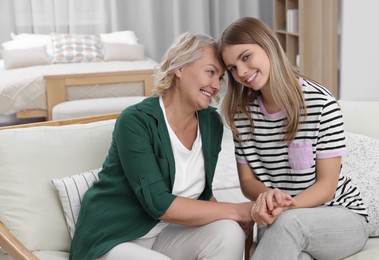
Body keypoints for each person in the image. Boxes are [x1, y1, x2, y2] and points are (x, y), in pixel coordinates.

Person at [69, 32, 255, 260]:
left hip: (165, 234)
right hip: (114, 238)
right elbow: (159, 204)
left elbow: (201, 194)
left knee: (229, 232)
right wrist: (238, 210)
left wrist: (230, 218)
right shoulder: (136, 121)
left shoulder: (210, 123)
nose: (216, 85)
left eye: (221, 78)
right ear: (180, 68)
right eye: (210, 72)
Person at [217, 17, 369, 260]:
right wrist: (268, 197)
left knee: (291, 224)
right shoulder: (241, 114)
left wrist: (283, 208)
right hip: (280, 222)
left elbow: (327, 186)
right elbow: (247, 181)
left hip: (339, 216)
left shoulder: (321, 103)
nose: (242, 73)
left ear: (268, 46)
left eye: (246, 57)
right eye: (232, 68)